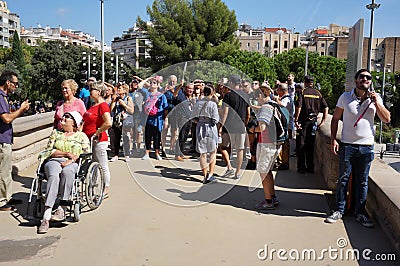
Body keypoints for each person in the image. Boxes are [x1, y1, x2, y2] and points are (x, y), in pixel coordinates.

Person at [325, 69, 391, 227]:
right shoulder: (345, 97)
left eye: (368, 78)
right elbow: (335, 119)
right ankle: (339, 210)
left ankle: (360, 213)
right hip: (348, 145)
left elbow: (387, 118)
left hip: (366, 147)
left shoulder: (376, 98)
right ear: (356, 81)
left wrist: (376, 102)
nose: (365, 80)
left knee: (362, 182)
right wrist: (333, 139)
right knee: (343, 179)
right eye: (361, 77)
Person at [37, 111, 90, 233]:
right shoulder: (56, 133)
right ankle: (46, 215)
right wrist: (66, 153)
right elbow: (48, 151)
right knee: (53, 176)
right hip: (54, 160)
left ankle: (62, 208)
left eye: (68, 117)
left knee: (68, 173)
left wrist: (72, 159)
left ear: (74, 123)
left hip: (72, 162)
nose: (64, 118)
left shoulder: (81, 136)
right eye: (64, 116)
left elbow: (86, 154)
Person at [0, 71, 30, 211]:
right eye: (15, 84)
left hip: (5, 138)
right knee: (2, 171)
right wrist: (21, 110)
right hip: (1, 140)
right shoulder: (0, 97)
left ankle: (8, 196)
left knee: (6, 170)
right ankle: (1, 201)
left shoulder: (4, 97)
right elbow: (6, 118)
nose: (16, 86)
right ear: (8, 83)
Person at [249, 91, 280, 210]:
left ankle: (268, 202)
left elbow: (262, 127)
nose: (256, 99)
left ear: (261, 96)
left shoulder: (265, 109)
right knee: (268, 171)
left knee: (263, 172)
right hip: (272, 143)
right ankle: (272, 197)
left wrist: (252, 130)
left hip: (266, 144)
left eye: (257, 97)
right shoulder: (272, 105)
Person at [82, 81, 112, 198]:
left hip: (99, 140)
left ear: (99, 92)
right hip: (89, 140)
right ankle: (92, 186)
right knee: (92, 164)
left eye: (92, 90)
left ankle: (105, 189)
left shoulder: (103, 105)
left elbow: (108, 122)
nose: (90, 92)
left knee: (102, 164)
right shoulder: (93, 105)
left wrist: (97, 132)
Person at [294, 76, 328, 174]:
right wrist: (323, 121)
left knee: (301, 145)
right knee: (310, 145)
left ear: (305, 82)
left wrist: (296, 119)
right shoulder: (318, 93)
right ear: (313, 83)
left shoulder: (302, 92)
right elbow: (326, 108)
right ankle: (310, 167)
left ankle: (301, 168)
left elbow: (299, 107)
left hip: (303, 122)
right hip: (313, 122)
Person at [219, 74, 250, 179]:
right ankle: (237, 172)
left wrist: (220, 126)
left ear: (231, 83)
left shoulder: (228, 96)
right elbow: (248, 113)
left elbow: (225, 113)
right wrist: (245, 123)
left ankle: (229, 167)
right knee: (240, 149)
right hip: (240, 126)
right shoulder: (245, 95)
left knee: (223, 147)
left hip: (229, 126)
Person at [192, 85, 220, 184]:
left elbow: (193, 117)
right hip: (211, 127)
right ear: (212, 93)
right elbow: (216, 119)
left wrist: (199, 121)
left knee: (202, 153)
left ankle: (204, 176)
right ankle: (211, 175)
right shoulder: (213, 104)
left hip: (200, 127)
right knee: (212, 152)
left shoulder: (198, 103)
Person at [142, 77, 168, 160]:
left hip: (157, 119)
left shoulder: (161, 96)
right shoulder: (147, 94)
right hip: (147, 118)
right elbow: (139, 86)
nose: (152, 84)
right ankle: (147, 153)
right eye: (151, 82)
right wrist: (148, 79)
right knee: (147, 136)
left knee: (157, 137)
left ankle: (157, 153)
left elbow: (165, 108)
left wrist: (166, 119)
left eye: (154, 83)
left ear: (158, 85)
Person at [109, 84, 134, 162]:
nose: (118, 90)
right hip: (117, 121)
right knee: (116, 138)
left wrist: (123, 104)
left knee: (126, 137)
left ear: (125, 90)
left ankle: (127, 155)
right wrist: (113, 101)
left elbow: (131, 111)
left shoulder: (128, 98)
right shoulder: (115, 99)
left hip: (126, 121)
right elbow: (110, 110)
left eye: (120, 88)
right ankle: (115, 154)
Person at [272, 83, 294, 170]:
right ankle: (281, 161)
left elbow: (282, 105)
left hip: (287, 126)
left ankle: (284, 163)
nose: (277, 92)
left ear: (282, 90)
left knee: (285, 144)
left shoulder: (287, 99)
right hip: (285, 125)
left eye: (278, 90)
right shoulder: (286, 98)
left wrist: (276, 99)